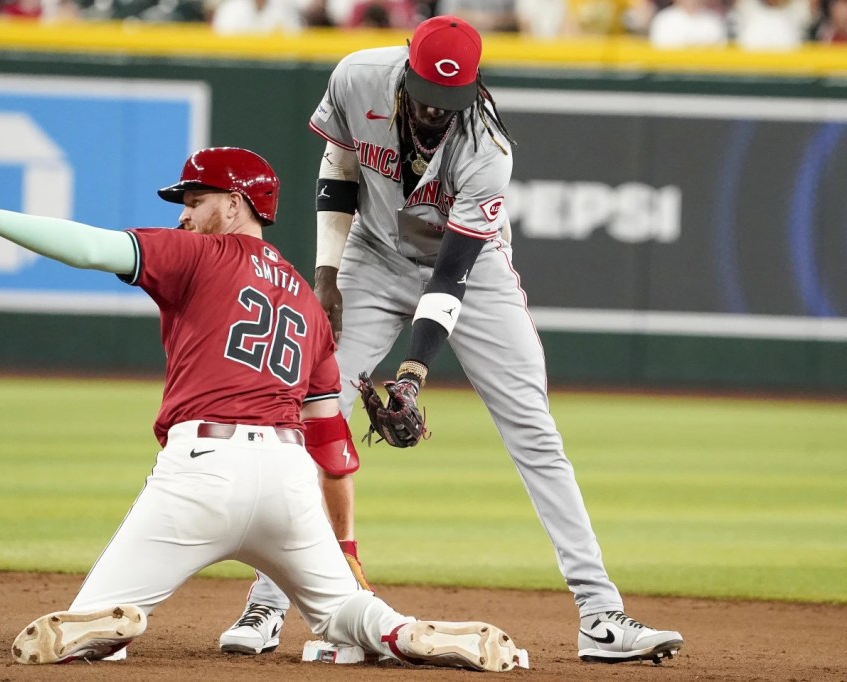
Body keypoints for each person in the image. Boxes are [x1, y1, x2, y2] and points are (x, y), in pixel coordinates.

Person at [0, 147, 528, 672]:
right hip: (289, 484)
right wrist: (346, 545)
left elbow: (95, 248)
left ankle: (110, 626)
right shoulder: (310, 307)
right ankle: (404, 631)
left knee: (91, 621)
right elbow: (333, 447)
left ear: (234, 204)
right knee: (345, 614)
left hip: (202, 472)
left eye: (194, 200)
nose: (183, 216)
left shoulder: (200, 256)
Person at [220, 16, 685, 665]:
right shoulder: (358, 75)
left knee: (534, 431)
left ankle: (600, 615)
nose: (439, 113)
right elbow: (340, 164)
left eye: (453, 102)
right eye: (429, 99)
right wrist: (326, 275)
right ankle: (268, 605)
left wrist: (411, 374)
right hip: (371, 258)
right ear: (406, 72)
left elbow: (451, 274)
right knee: (313, 414)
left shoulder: (487, 145)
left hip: (475, 272)